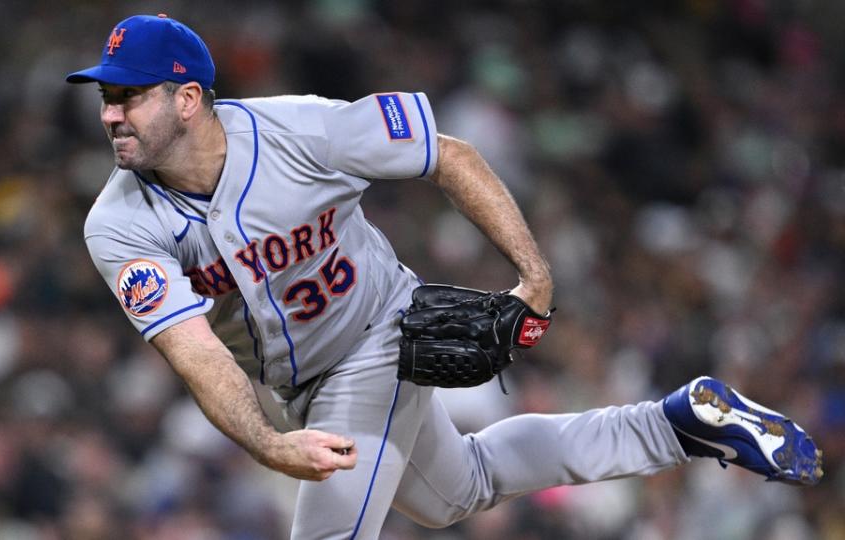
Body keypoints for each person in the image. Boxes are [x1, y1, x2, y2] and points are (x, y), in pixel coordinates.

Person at [66, 14, 823, 539]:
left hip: (378, 339)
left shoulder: (304, 129)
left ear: (189, 98)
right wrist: (266, 440)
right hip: (292, 386)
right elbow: (194, 348)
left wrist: (534, 275)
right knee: (460, 491)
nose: (111, 115)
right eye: (107, 98)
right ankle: (678, 421)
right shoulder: (118, 221)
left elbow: (447, 154)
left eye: (127, 96)